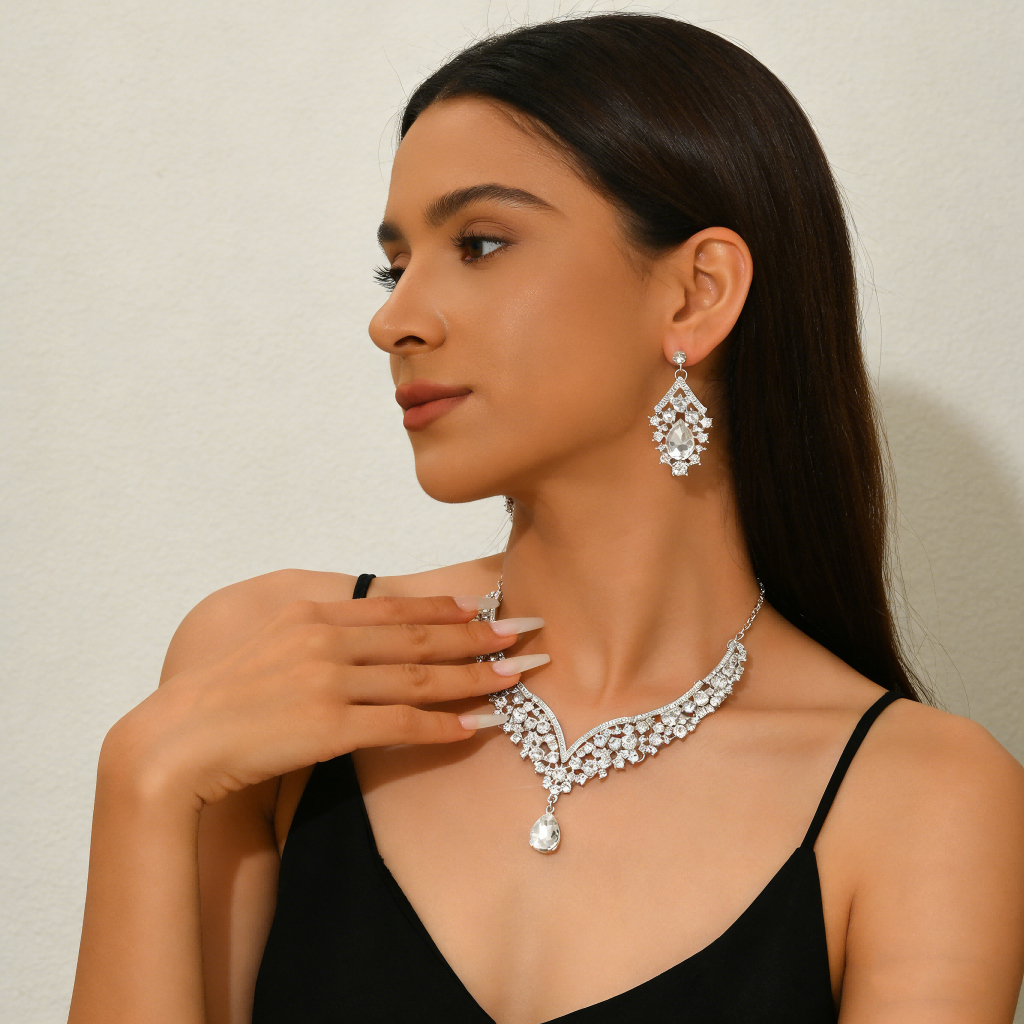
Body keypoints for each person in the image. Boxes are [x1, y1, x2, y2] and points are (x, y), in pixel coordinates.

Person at [68, 13, 1024, 1024]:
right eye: (396, 265)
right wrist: (145, 779)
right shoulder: (266, 660)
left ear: (695, 294)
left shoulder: (922, 797)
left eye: (479, 244)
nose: (394, 319)